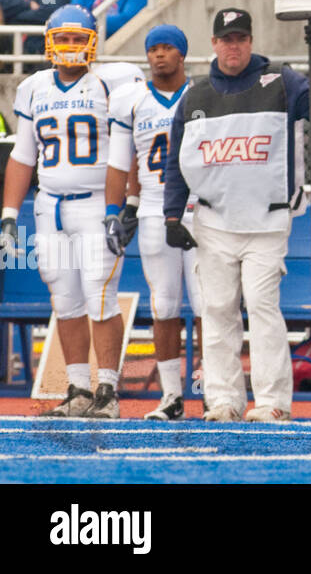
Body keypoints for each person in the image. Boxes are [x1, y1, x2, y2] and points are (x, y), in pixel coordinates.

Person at [161, 9, 311, 422]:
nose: (234, 46)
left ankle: (272, 401)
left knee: (262, 306)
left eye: (241, 38)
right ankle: (223, 399)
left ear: (251, 40)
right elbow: (177, 161)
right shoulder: (195, 95)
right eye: (226, 39)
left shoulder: (283, 81)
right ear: (214, 43)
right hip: (213, 220)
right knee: (219, 309)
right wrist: (173, 216)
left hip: (267, 219)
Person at [1, 7, 133, 418]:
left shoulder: (113, 81)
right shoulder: (34, 86)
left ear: (92, 41)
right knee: (65, 298)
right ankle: (78, 388)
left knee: (100, 296)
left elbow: (130, 147)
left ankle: (107, 390)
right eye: (64, 38)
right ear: (48, 40)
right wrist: (8, 212)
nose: (71, 46)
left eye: (79, 38)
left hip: (97, 203)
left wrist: (123, 204)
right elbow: (23, 156)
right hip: (50, 205)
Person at [104, 24, 201, 420]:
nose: (159, 55)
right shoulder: (131, 99)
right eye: (153, 48)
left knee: (211, 306)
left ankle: (215, 391)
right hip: (153, 209)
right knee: (163, 305)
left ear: (182, 54)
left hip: (199, 208)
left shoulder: (201, 93)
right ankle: (171, 395)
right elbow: (123, 158)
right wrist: (120, 207)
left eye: (167, 48)